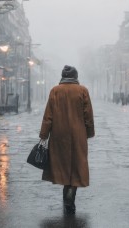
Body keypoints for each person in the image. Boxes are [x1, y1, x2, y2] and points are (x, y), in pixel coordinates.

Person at [39, 65, 95, 214]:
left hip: (59, 134)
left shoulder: (55, 91)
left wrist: (44, 135)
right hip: (78, 134)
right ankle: (70, 196)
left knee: (62, 165)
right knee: (76, 165)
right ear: (76, 77)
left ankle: (67, 196)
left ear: (62, 76)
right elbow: (88, 115)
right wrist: (88, 133)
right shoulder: (82, 90)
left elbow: (48, 116)